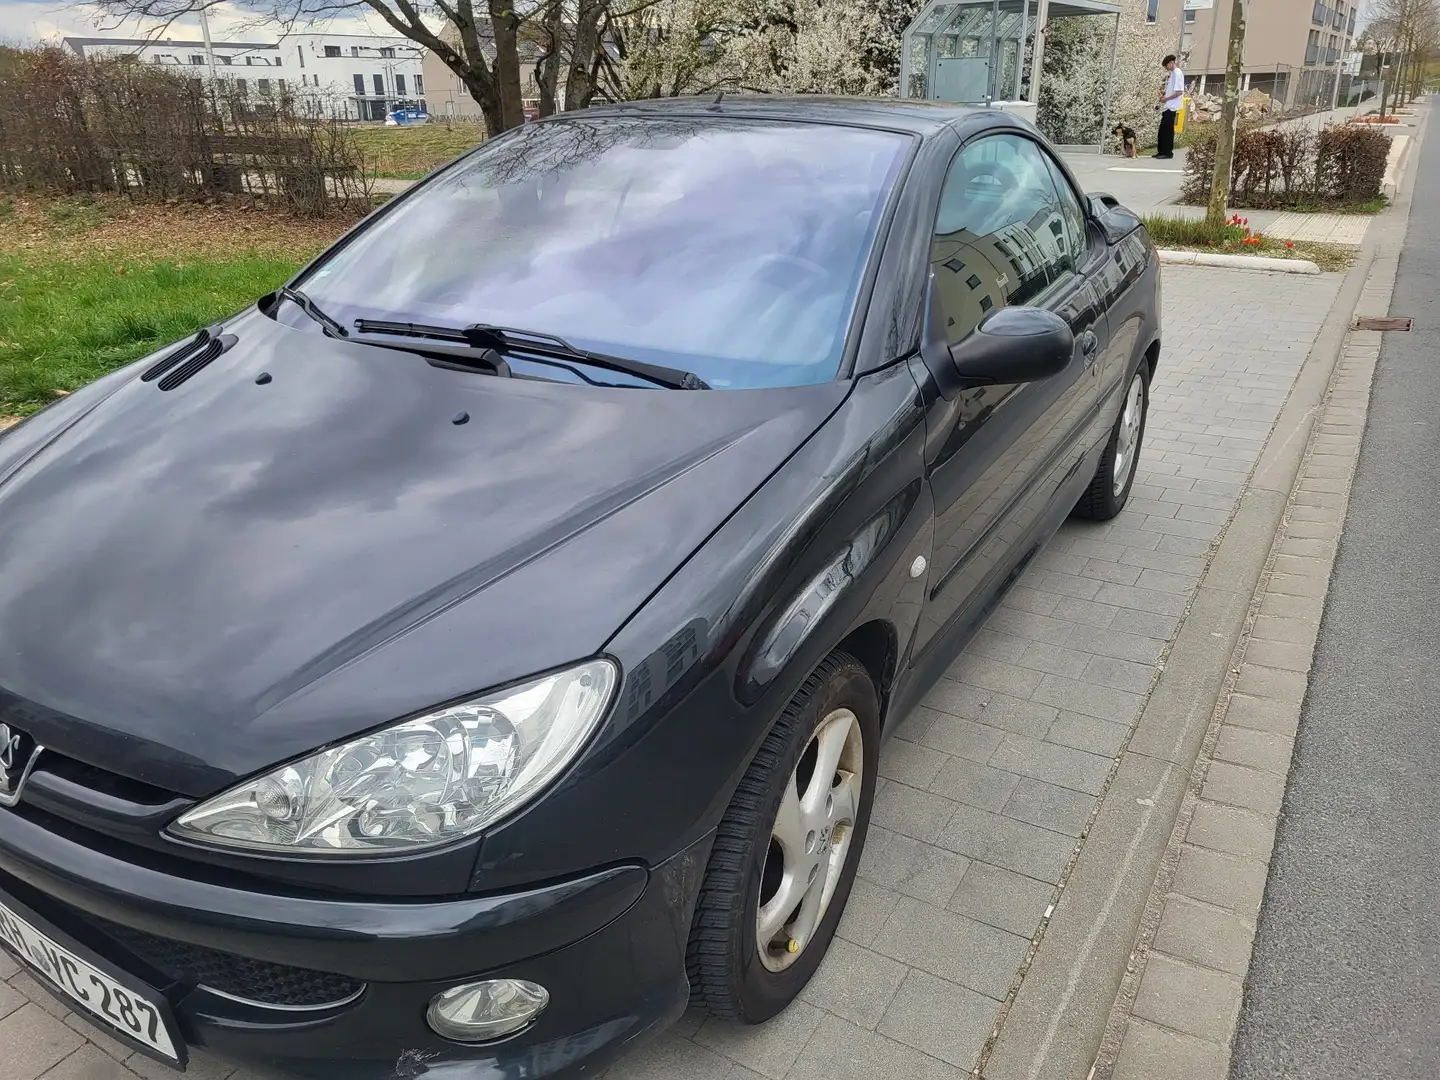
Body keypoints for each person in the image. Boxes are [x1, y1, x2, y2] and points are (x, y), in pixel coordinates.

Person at [1155, 54, 1184, 159]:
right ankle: (1161, 151)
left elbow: (1179, 92)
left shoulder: (1177, 73)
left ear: (1171, 63)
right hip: (1168, 105)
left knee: (1167, 131)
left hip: (1172, 106)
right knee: (1162, 130)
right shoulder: (1172, 74)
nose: (1166, 68)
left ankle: (1167, 152)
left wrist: (1166, 99)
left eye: (1167, 65)